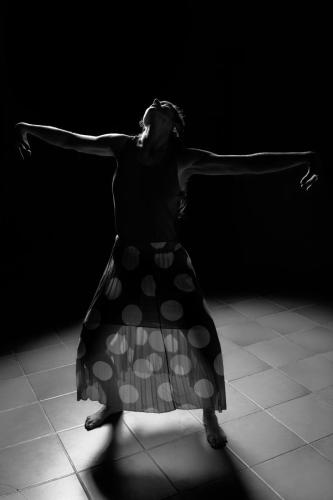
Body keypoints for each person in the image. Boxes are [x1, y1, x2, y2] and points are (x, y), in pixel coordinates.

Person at [15, 98, 318, 449]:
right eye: (154, 102)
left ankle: (208, 414)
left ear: (174, 125)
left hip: (166, 260)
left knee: (197, 335)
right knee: (103, 331)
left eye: (166, 105)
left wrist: (304, 157)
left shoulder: (183, 158)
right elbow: (71, 140)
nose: (157, 102)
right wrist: (27, 128)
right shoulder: (121, 145)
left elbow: (245, 166)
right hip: (126, 256)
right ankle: (113, 403)